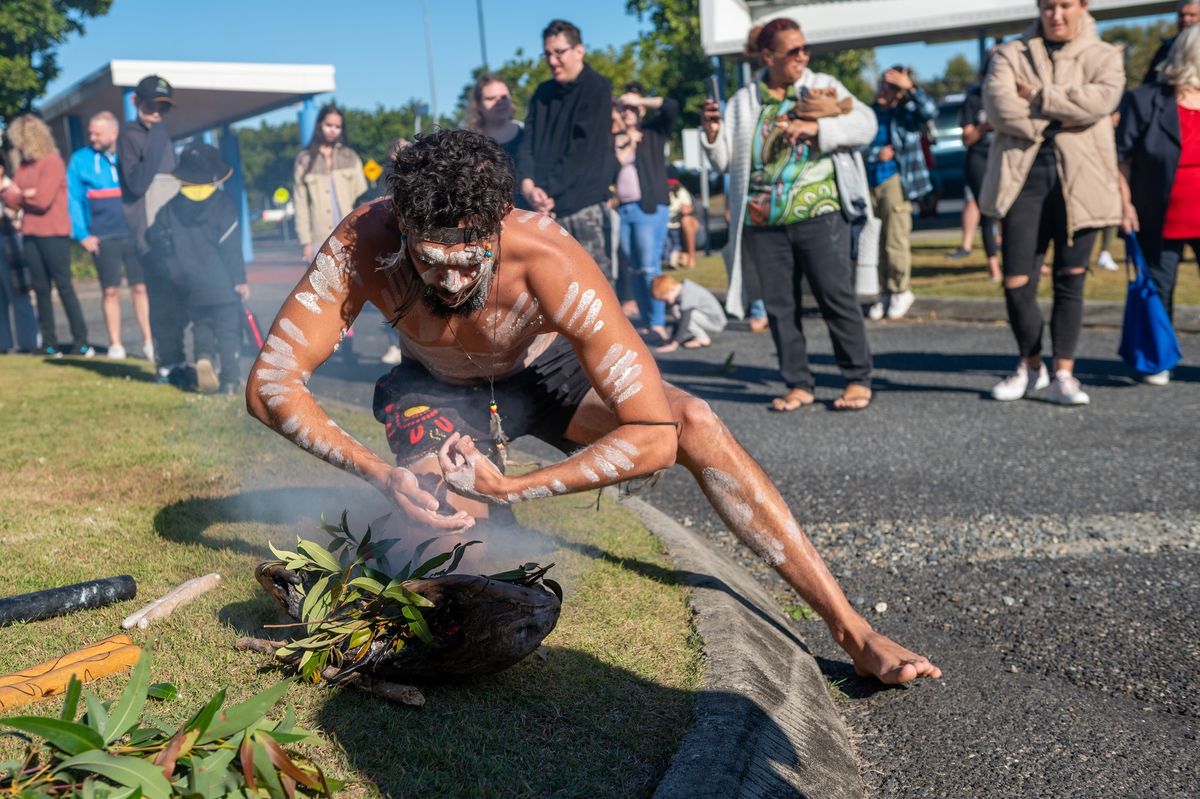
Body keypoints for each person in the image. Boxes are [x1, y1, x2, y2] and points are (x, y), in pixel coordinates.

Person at [244, 128, 940, 686]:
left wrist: (519, 484)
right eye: (431, 261)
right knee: (471, 561)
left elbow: (656, 435)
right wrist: (382, 472)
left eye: (470, 258)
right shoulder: (362, 241)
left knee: (697, 420)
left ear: (498, 225)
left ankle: (853, 629)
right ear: (402, 229)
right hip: (433, 391)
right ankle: (391, 571)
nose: (452, 280)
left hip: (545, 375)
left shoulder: (549, 256)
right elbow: (270, 384)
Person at [701, 18, 877, 412]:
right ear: (768, 56)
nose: (803, 56)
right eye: (793, 51)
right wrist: (712, 135)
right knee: (780, 307)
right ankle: (797, 383)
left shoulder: (821, 84)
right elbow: (725, 161)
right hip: (764, 221)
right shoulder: (745, 101)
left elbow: (866, 124)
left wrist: (817, 129)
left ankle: (856, 378)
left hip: (821, 211)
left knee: (836, 297)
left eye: (804, 49)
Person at [981, 0, 1124, 406]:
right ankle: (1030, 364)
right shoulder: (1011, 52)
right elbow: (999, 106)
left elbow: (1102, 100)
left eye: (1064, 5)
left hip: (1081, 181)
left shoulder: (1104, 54)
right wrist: (1065, 112)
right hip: (1021, 178)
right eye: (1048, 6)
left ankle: (1064, 372)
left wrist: (1039, 95)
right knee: (1015, 280)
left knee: (1070, 277)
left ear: (1082, 7)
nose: (1055, 15)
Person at [1117, 24, 1200, 386]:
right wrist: (1125, 204)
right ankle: (1157, 357)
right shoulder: (1146, 98)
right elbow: (1120, 158)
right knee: (1158, 287)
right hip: (1160, 212)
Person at [515, 19, 615, 279]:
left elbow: (582, 150)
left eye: (559, 52)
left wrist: (545, 190)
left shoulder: (597, 88)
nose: (552, 60)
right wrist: (527, 184)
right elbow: (528, 144)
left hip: (583, 208)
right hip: (541, 208)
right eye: (547, 54)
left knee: (595, 293)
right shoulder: (542, 93)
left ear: (579, 50)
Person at [147, 143, 248, 394]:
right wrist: (240, 279)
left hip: (189, 285)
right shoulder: (223, 204)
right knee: (227, 331)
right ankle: (231, 381)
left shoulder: (170, 208)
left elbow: (154, 238)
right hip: (222, 283)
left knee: (202, 325)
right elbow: (231, 248)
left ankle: (203, 357)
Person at [2, 115, 92, 357]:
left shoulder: (52, 162)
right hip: (30, 234)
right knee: (40, 289)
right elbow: (10, 198)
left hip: (54, 233)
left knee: (64, 287)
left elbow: (42, 201)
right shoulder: (24, 167)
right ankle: (49, 343)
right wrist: (24, 194)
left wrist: (23, 195)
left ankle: (81, 341)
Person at [67, 111, 153, 360]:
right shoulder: (80, 160)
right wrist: (82, 234)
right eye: (90, 132)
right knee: (110, 291)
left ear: (113, 133)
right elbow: (74, 199)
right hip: (103, 236)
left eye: (97, 133)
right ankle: (116, 344)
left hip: (133, 233)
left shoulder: (130, 155)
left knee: (140, 288)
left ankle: (150, 342)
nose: (92, 137)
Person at [119, 74, 182, 378]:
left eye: (164, 108)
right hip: (147, 233)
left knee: (179, 295)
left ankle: (180, 358)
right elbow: (137, 181)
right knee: (160, 298)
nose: (158, 113)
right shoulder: (130, 135)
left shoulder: (161, 134)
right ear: (136, 102)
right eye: (152, 105)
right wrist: (157, 135)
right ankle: (166, 363)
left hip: (170, 229)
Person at [294, 105, 368, 364]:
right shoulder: (305, 159)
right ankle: (322, 345)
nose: (333, 130)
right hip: (318, 235)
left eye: (337, 126)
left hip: (349, 234)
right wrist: (305, 241)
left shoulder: (350, 157)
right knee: (322, 292)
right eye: (328, 125)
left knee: (349, 291)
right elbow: (301, 203)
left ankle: (347, 345)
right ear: (319, 126)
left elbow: (361, 195)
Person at [865, 66, 938, 321]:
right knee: (874, 240)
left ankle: (900, 290)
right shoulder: (868, 113)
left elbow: (930, 112)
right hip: (869, 181)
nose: (885, 91)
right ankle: (883, 291)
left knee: (895, 239)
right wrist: (875, 154)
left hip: (896, 179)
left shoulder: (906, 113)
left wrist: (910, 89)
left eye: (892, 87)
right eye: (883, 85)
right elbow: (855, 145)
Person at [613, 83, 679, 343]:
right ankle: (646, 320)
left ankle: (657, 322)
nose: (628, 111)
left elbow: (672, 106)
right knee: (634, 269)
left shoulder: (653, 132)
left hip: (648, 207)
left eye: (632, 107)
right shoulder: (615, 139)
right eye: (624, 107)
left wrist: (642, 100)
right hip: (625, 209)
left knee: (649, 265)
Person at [955, 58, 1003, 282]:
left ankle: (1021, 259)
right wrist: (984, 126)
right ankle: (993, 266)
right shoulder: (973, 99)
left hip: (1006, 156)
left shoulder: (1007, 95)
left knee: (1013, 210)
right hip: (979, 158)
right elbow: (967, 139)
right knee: (987, 212)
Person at [466, 73, 524, 194]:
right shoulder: (470, 145)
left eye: (504, 97)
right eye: (491, 98)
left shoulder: (528, 134)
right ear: (478, 105)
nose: (499, 102)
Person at [651, 274, 725, 353]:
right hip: (708, 318)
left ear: (671, 288)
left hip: (716, 322)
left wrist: (674, 344)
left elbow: (684, 322)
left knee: (681, 313)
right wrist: (672, 339)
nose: (665, 302)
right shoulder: (684, 289)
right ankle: (699, 337)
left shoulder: (688, 293)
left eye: (665, 299)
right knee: (676, 310)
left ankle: (703, 339)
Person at [1143, 1, 1199, 84]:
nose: (1185, 19)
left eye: (1192, 15)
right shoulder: (1165, 49)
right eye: (1181, 15)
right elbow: (1149, 82)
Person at [665, 178, 699, 269]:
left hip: (677, 225)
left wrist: (684, 210)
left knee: (676, 244)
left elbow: (689, 208)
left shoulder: (683, 192)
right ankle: (672, 260)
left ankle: (688, 257)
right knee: (668, 245)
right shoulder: (661, 191)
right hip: (666, 226)